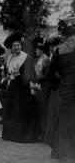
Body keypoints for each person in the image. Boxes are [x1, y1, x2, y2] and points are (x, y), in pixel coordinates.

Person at [44, 15, 75, 162]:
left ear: (63, 34)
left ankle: (67, 154)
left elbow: (50, 76)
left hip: (68, 91)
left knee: (67, 121)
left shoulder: (59, 49)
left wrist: (59, 84)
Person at [2, 33, 40, 143]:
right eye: (14, 46)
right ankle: (12, 135)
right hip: (13, 87)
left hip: (24, 88)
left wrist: (31, 85)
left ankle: (24, 136)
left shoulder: (26, 57)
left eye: (18, 45)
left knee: (23, 110)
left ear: (21, 46)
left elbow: (31, 74)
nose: (16, 47)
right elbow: (5, 71)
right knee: (13, 110)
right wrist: (8, 76)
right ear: (11, 48)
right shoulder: (9, 58)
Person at [32, 36, 50, 141]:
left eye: (38, 49)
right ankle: (37, 132)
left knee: (43, 110)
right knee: (36, 110)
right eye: (35, 49)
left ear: (42, 50)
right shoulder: (35, 60)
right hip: (34, 86)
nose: (36, 51)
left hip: (42, 87)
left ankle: (44, 134)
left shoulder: (46, 59)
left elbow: (47, 74)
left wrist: (38, 78)